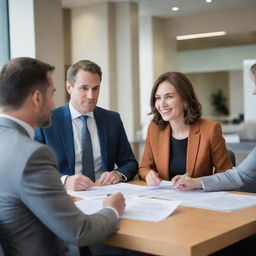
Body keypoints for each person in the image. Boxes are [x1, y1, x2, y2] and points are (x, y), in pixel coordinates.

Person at [0, 57, 125, 256]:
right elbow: (79, 232)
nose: (53, 103)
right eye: (52, 94)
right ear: (37, 98)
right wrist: (112, 209)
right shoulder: (33, 155)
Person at [35, 60, 138, 191]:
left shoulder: (112, 119)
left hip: (105, 193)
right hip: (66, 196)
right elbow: (35, 169)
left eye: (95, 88)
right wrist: (64, 181)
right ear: (69, 87)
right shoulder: (46, 120)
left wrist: (117, 174)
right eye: (84, 88)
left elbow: (130, 163)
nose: (91, 96)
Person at [138, 72, 233, 186]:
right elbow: (144, 168)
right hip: (165, 199)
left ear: (185, 100)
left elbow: (226, 174)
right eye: (158, 98)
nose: (162, 104)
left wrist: (198, 183)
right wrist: (148, 174)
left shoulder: (210, 129)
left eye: (169, 97)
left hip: (197, 200)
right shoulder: (154, 129)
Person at [173, 63, 256, 192]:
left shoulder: (210, 128)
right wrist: (196, 182)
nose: (254, 91)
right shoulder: (155, 130)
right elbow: (239, 176)